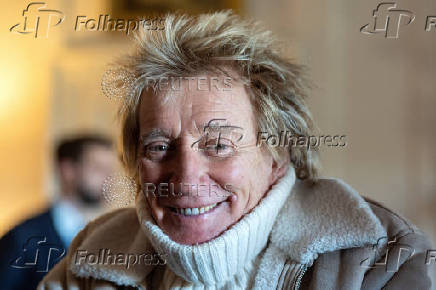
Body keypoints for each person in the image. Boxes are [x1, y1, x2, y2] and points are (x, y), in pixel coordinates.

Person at [38, 12, 432, 289]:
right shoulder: (92, 261)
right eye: (159, 147)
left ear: (278, 151)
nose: (186, 177)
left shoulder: (379, 259)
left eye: (219, 145)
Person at [0, 135, 117, 290]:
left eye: (110, 170)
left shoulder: (115, 236)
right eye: (98, 168)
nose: (110, 179)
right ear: (67, 170)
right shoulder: (22, 237)